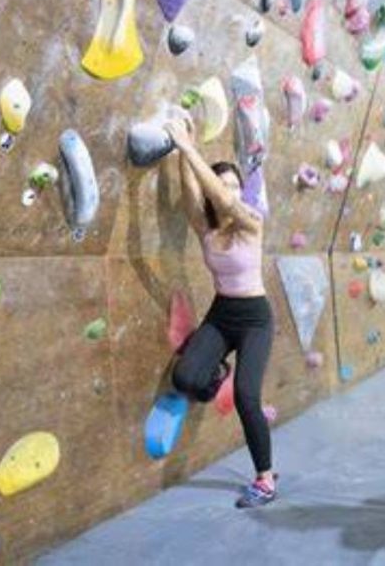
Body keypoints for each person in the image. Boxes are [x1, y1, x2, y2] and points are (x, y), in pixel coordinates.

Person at [163, 116, 277, 509]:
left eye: (234, 185)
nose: (230, 192)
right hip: (222, 313)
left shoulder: (250, 220)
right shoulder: (206, 227)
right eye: (222, 184)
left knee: (247, 396)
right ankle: (216, 368)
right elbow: (192, 190)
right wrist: (184, 147)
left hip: (255, 319)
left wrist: (188, 146)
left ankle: (265, 479)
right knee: (185, 377)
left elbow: (226, 201)